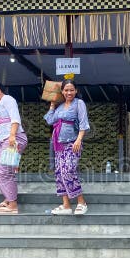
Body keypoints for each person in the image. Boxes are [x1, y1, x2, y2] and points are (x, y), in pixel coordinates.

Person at [44, 79, 89, 215]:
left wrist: (79, 140)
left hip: (72, 142)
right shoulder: (60, 106)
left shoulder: (79, 104)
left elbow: (83, 123)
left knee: (68, 170)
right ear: (62, 91)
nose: (69, 92)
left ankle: (82, 203)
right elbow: (50, 120)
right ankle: (66, 205)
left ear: (76, 91)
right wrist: (52, 105)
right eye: (66, 90)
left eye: (71, 90)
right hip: (58, 144)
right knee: (59, 173)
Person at [0, 84, 28, 214]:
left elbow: (15, 118)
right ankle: (8, 197)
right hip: (3, 141)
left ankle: (13, 204)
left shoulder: (8, 99)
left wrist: (12, 136)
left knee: (3, 170)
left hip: (13, 139)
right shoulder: (0, 104)